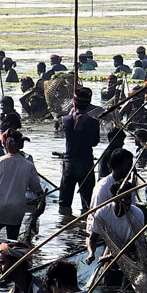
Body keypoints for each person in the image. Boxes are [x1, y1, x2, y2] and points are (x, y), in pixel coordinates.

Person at [0, 129, 44, 240]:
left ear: (5, 145)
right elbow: (37, 190)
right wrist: (42, 200)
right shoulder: (28, 165)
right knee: (12, 242)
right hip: (16, 210)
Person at [59, 87, 100, 216]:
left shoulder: (66, 120)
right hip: (86, 164)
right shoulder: (93, 122)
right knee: (88, 203)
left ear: (74, 102)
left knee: (64, 203)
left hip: (69, 164)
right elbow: (95, 142)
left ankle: (64, 224)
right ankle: (85, 224)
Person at [87, 181, 146, 264]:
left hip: (131, 251)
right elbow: (92, 239)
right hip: (112, 247)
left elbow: (134, 243)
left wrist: (110, 256)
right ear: (114, 198)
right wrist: (91, 254)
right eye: (124, 198)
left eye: (129, 198)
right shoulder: (102, 213)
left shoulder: (137, 214)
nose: (128, 202)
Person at [88, 149, 137, 232]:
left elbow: (133, 211)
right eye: (128, 166)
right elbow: (96, 217)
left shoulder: (128, 187)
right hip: (99, 229)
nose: (131, 170)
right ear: (118, 167)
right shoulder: (103, 188)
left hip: (119, 226)